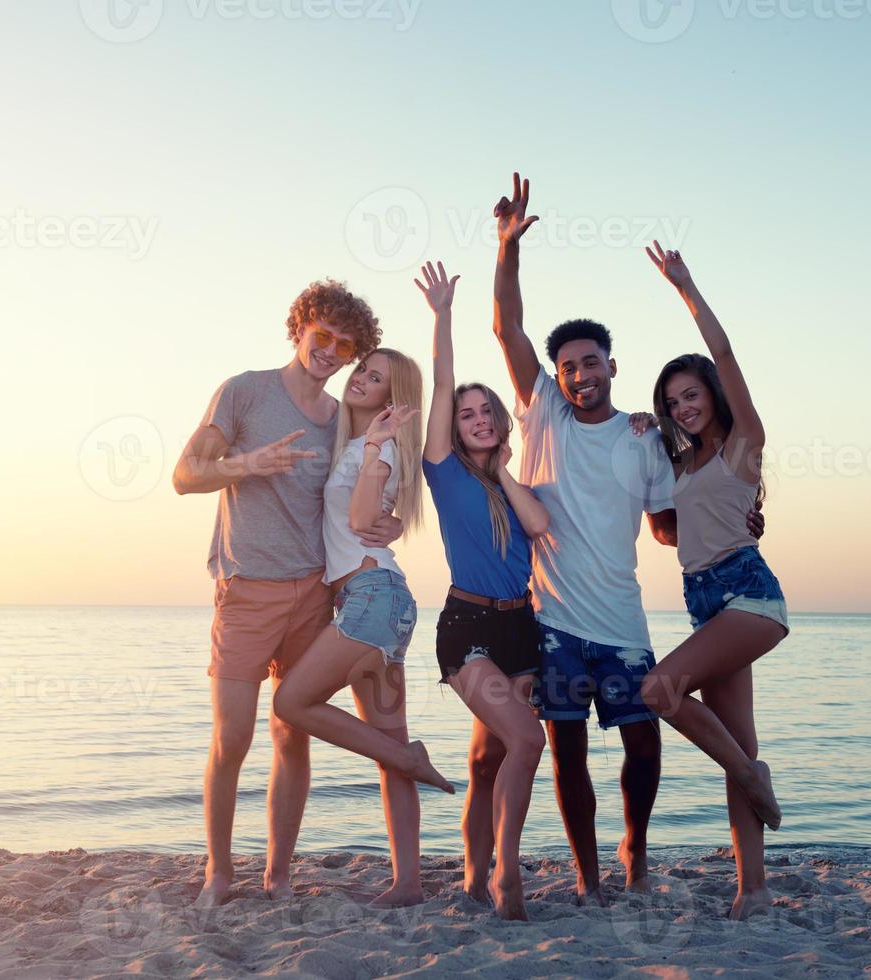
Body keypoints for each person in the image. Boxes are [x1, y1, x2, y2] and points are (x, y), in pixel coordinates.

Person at [488, 172, 758, 904]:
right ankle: (586, 875)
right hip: (554, 621)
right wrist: (506, 250)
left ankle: (634, 843)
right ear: (556, 375)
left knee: (644, 743)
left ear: (612, 367)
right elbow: (506, 328)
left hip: (621, 620)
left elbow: (668, 530)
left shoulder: (645, 440)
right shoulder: (539, 409)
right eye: (568, 364)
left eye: (591, 361)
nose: (579, 372)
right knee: (565, 750)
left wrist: (739, 525)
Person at [173, 278, 404, 907]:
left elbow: (362, 489)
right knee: (233, 738)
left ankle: (277, 874)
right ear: (300, 326)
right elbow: (185, 475)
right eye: (321, 335)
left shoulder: (340, 419)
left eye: (344, 344)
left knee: (290, 733)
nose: (329, 350)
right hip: (246, 586)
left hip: (313, 593)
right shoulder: (244, 391)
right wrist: (244, 466)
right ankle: (219, 872)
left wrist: (393, 520)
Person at [633, 241, 788, 922]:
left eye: (690, 395)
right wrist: (645, 439)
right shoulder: (682, 465)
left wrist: (685, 287)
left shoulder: (741, 444)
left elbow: (724, 356)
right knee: (736, 742)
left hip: (750, 598)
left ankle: (754, 779)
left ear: (711, 396)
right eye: (672, 401)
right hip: (707, 607)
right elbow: (668, 536)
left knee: (659, 689)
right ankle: (751, 890)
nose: (682, 406)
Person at [272, 343, 454, 909]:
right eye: (363, 371)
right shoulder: (355, 446)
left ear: (390, 400)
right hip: (383, 602)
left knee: (291, 704)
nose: (361, 381)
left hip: (371, 599)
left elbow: (356, 519)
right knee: (386, 741)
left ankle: (409, 760)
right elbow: (369, 519)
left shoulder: (375, 451)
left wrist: (374, 447)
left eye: (376, 380)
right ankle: (408, 883)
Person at [415, 260, 550, 921]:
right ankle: (506, 872)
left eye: (483, 411)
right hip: (466, 628)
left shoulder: (510, 482)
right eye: (464, 413)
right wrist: (441, 316)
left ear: (499, 421)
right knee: (528, 741)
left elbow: (539, 526)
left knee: (487, 757)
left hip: (519, 628)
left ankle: (472, 876)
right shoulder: (441, 472)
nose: (473, 417)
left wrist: (505, 470)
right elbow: (441, 383)